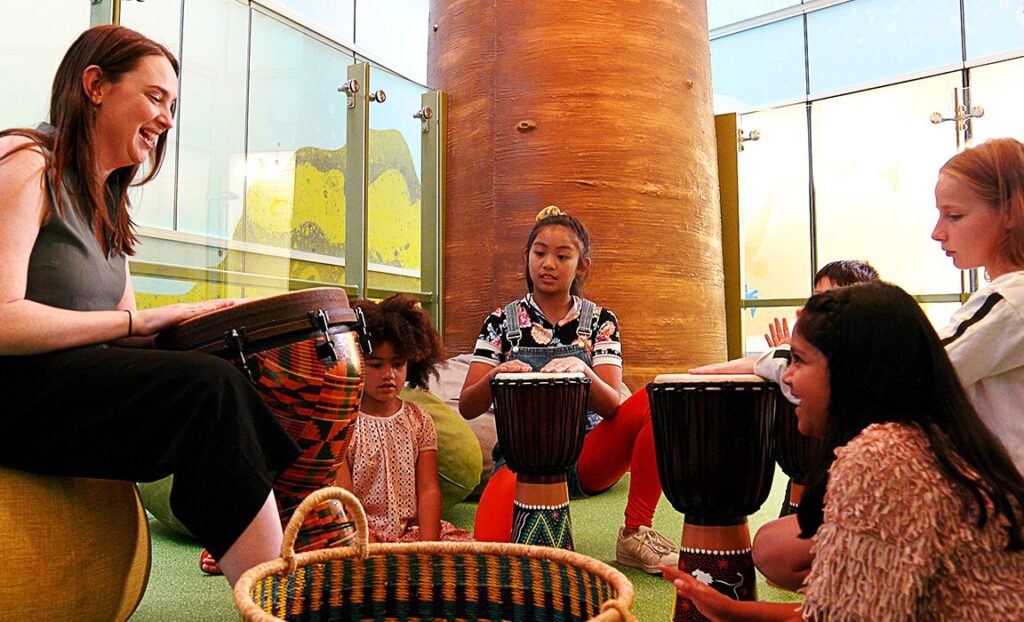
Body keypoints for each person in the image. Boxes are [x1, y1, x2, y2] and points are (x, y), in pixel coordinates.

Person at [0, 25, 301, 587]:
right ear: (95, 85)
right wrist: (139, 321)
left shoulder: (108, 201)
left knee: (232, 373)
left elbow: (125, 338)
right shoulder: (25, 162)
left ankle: (271, 550)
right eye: (155, 97)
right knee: (206, 390)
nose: (166, 119)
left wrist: (208, 321)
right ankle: (270, 593)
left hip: (60, 387)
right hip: (12, 389)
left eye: (173, 105)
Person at [662, 282, 1024, 621]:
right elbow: (842, 607)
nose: (786, 377)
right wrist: (732, 611)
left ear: (852, 371)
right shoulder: (920, 437)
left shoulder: (881, 457)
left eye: (799, 361)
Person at [459, 205, 676, 573]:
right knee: (489, 559)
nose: (548, 263)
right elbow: (467, 406)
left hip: (586, 456)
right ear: (526, 257)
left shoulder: (600, 321)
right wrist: (494, 378)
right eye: (539, 252)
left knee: (661, 398)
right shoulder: (500, 322)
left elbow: (611, 406)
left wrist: (582, 370)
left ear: (582, 266)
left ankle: (636, 532)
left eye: (563, 256)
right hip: (517, 459)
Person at [334, 295, 472, 543]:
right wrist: (367, 543)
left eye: (398, 364)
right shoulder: (343, 423)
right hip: (360, 538)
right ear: (353, 362)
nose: (389, 374)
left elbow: (429, 490)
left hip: (411, 535)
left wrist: (427, 547)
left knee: (465, 552)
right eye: (375, 365)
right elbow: (345, 498)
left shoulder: (419, 420)